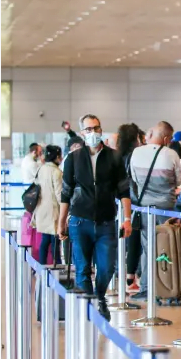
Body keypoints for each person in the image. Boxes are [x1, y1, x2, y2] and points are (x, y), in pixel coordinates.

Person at [58, 114, 132, 321]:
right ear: (82, 133)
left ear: (101, 129)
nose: (93, 132)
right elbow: (66, 192)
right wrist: (61, 222)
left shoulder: (114, 157)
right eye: (88, 129)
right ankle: (89, 306)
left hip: (106, 221)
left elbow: (124, 191)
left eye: (96, 128)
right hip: (79, 221)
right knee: (82, 269)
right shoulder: (73, 158)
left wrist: (127, 219)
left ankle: (99, 296)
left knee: (107, 267)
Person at [128, 121, 181, 300]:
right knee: (168, 247)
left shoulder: (137, 152)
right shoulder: (171, 154)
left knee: (147, 247)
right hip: (167, 208)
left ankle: (146, 288)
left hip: (145, 207)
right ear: (166, 138)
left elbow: (134, 179)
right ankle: (168, 287)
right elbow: (178, 180)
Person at [116, 123, 145, 292]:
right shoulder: (135, 156)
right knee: (134, 238)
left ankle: (124, 276)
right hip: (132, 202)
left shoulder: (116, 156)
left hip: (119, 202)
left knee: (123, 239)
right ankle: (130, 278)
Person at [32, 145, 63, 265]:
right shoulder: (56, 172)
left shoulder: (41, 169)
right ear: (56, 157)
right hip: (53, 211)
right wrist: (66, 211)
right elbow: (60, 195)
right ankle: (58, 267)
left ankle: (42, 267)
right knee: (55, 242)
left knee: (45, 241)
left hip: (41, 210)